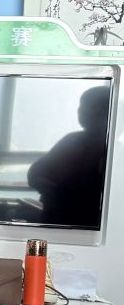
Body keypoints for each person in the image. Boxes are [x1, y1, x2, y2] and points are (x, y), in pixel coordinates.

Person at [27, 84, 110, 228]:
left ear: (107, 112)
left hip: (79, 219)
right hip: (56, 215)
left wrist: (53, 188)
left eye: (90, 107)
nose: (81, 111)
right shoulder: (72, 139)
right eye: (81, 106)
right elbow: (35, 172)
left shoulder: (112, 149)